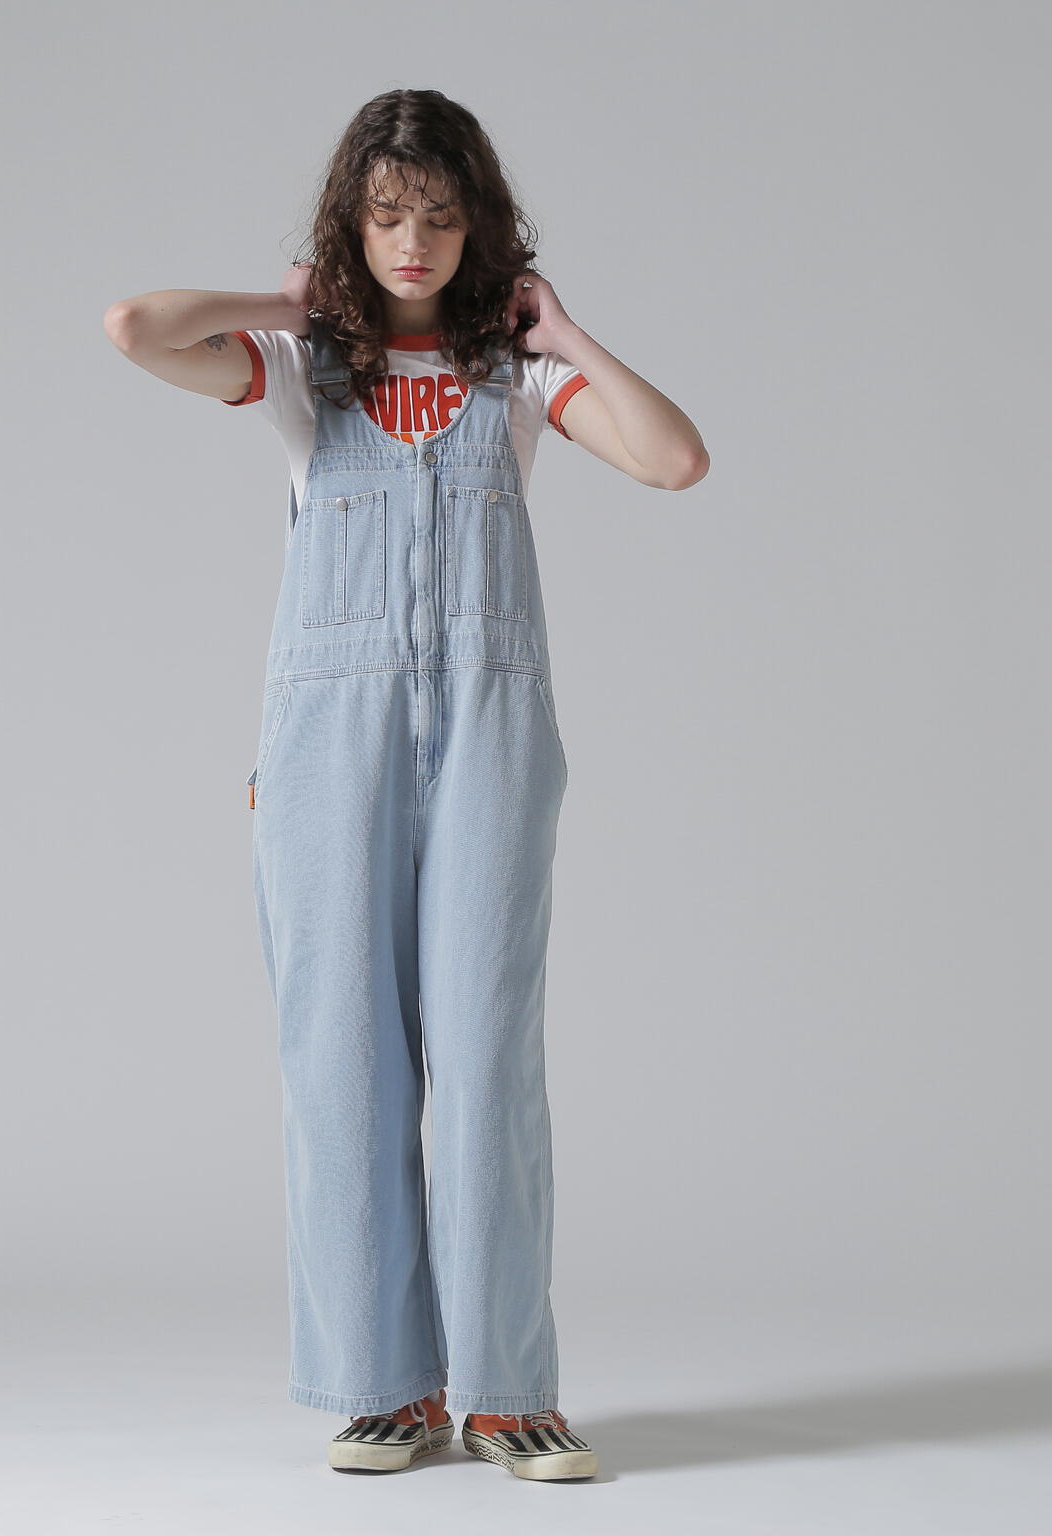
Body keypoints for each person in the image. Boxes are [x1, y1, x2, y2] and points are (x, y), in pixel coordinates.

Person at [104, 88, 709, 1482]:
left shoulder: (516, 381)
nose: (414, 242)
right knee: (343, 1062)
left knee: (488, 1060)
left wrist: (567, 337)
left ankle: (505, 1391)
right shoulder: (302, 372)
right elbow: (136, 327)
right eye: (386, 217)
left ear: (477, 225)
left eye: (439, 215)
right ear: (354, 227)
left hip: (492, 744)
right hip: (330, 752)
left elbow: (677, 460)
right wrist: (286, 300)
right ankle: (387, 1386)